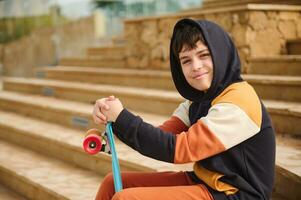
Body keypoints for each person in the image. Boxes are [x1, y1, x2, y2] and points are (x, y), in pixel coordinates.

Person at [92, 18, 276, 200]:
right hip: (206, 182)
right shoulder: (198, 100)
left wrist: (122, 118)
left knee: (127, 198)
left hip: (236, 193)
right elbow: (160, 136)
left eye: (204, 55)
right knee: (112, 184)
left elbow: (179, 149)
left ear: (220, 54)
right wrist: (113, 121)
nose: (196, 66)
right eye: (186, 60)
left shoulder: (238, 101)